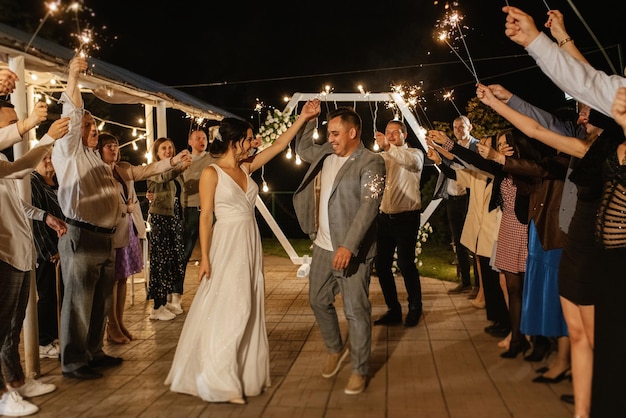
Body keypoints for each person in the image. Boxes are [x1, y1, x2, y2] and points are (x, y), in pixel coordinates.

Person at [475, 82, 621, 418]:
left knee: (598, 338)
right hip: (573, 239)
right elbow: (536, 124)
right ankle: (583, 409)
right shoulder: (585, 141)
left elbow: (538, 130)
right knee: (580, 334)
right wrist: (502, 101)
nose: (580, 116)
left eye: (587, 110)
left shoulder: (599, 149)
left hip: (593, 246)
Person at [165, 99, 321, 404]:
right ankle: (220, 380)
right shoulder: (212, 173)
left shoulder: (247, 167)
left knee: (248, 305)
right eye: (249, 139)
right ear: (236, 142)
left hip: (249, 242)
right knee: (234, 307)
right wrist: (205, 258)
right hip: (226, 243)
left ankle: (240, 372)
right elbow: (206, 216)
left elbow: (278, 145)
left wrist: (302, 117)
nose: (253, 142)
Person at [292, 106, 386, 395]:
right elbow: (304, 147)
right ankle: (336, 347)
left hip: (352, 251)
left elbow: (369, 206)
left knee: (356, 311)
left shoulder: (372, 162)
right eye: (329, 133)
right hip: (322, 246)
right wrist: (308, 120)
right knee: (318, 300)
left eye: (335, 133)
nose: (330, 138)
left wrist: (348, 245)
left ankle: (359, 369)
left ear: (352, 132)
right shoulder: (325, 154)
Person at [52, 56, 124, 380]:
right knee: (78, 303)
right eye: (88, 126)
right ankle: (73, 361)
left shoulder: (95, 158)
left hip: (104, 237)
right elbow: (73, 112)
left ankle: (94, 351)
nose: (94, 131)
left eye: (96, 127)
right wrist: (72, 75)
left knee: (100, 303)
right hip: (80, 236)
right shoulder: (67, 151)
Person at [0, 99, 68, 416]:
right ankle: (3, 396)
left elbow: (18, 196)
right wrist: (45, 135)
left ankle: (16, 382)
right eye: (10, 123)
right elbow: (21, 168)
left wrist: (45, 217)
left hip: (19, 249)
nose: (18, 128)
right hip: (3, 252)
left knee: (13, 328)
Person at [98, 133, 190, 342]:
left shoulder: (123, 169)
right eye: (108, 146)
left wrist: (174, 162)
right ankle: (112, 325)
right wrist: (176, 166)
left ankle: (119, 324)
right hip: (111, 230)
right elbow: (157, 175)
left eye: (115, 145)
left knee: (123, 278)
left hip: (127, 228)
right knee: (113, 280)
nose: (113, 149)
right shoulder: (96, 172)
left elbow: (147, 170)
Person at [372, 119, 424, 327]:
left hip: (407, 218)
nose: (391, 136)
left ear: (405, 135)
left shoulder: (414, 154)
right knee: (381, 265)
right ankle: (393, 310)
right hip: (384, 218)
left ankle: (415, 308)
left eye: (395, 132)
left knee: (405, 263)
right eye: (387, 132)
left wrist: (388, 147)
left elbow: (411, 163)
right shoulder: (382, 157)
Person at [145, 137, 191, 321]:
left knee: (172, 261)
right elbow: (164, 176)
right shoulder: (154, 168)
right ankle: (156, 306)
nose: (168, 151)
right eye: (164, 148)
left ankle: (164, 303)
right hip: (159, 218)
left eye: (170, 147)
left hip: (172, 219)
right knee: (160, 262)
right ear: (157, 152)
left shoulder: (172, 170)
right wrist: (179, 166)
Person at [435, 115, 479, 296]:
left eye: (461, 127)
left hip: (469, 200)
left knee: (474, 244)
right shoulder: (453, 146)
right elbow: (448, 168)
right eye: (455, 128)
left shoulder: (475, 147)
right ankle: (466, 282)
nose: (458, 130)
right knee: (459, 241)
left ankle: (479, 285)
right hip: (453, 199)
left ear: (470, 127)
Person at [174, 129, 215, 315]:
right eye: (198, 138)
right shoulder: (184, 159)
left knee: (214, 253)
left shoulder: (212, 159)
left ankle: (214, 295)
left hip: (209, 211)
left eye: (204, 138)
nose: (202, 141)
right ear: (190, 140)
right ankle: (176, 296)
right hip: (189, 210)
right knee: (183, 253)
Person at [30, 150, 65, 359]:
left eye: (51, 156)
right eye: (44, 158)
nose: (49, 160)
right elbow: (36, 219)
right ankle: (43, 341)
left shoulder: (57, 181)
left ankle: (54, 335)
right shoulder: (33, 182)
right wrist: (50, 251)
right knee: (47, 295)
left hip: (62, 246)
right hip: (47, 251)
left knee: (58, 293)